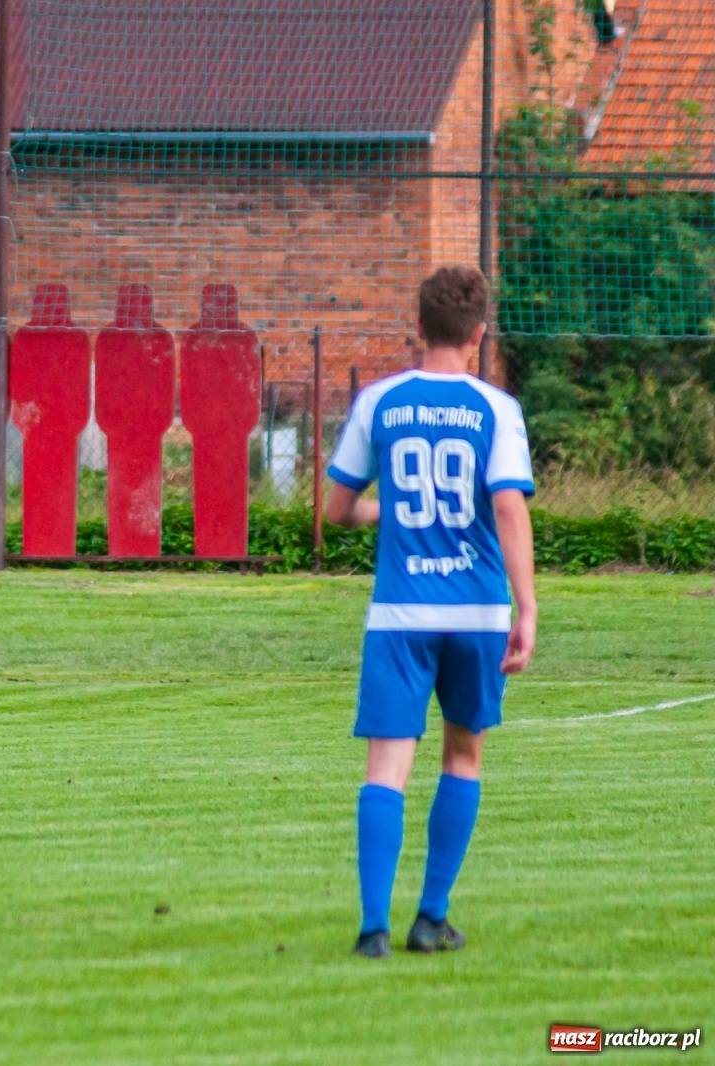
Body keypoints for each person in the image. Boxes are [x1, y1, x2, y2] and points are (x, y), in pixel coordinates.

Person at [325, 265, 537, 958]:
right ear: (478, 336)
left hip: (399, 617)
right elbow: (507, 507)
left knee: (386, 766)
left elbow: (333, 511)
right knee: (462, 754)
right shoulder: (496, 410)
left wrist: (382, 510)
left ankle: (372, 929)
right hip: (476, 613)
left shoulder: (379, 403)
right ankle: (432, 916)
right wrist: (527, 608)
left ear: (417, 327)